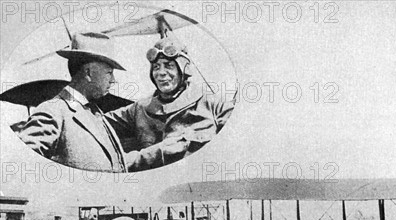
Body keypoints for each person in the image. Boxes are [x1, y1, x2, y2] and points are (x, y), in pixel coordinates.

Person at [18, 32, 185, 172]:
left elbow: (115, 166)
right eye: (109, 73)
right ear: (89, 73)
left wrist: (160, 151)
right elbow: (25, 163)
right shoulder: (53, 111)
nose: (113, 80)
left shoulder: (95, 114)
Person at [104, 37, 235, 171]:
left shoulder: (213, 104)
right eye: (156, 67)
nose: (161, 73)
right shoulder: (139, 108)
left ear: (183, 70)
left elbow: (233, 145)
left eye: (169, 65)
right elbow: (97, 125)